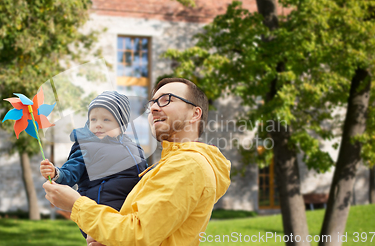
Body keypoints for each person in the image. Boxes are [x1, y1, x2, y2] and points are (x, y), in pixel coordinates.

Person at [43, 78, 231, 246]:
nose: (155, 108)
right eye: (152, 103)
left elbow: (139, 235)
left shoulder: (187, 165)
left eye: (167, 99)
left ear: (195, 114)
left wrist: (76, 204)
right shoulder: (170, 163)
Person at [40, 91, 147, 238]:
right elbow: (70, 172)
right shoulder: (88, 146)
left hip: (129, 214)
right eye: (93, 120)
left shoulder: (134, 148)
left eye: (106, 120)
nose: (98, 125)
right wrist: (56, 173)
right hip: (98, 212)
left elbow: (144, 175)